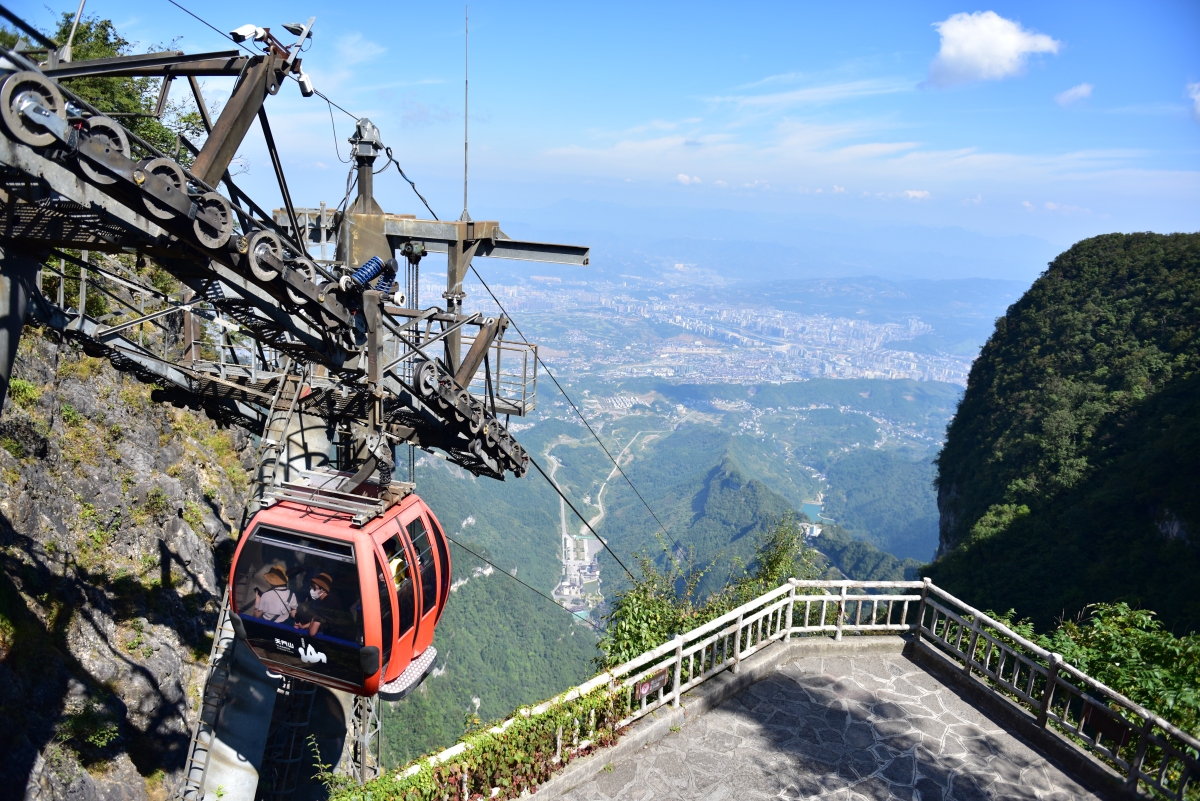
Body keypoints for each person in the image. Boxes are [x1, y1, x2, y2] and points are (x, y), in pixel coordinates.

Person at [294, 572, 343, 637]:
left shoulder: (327, 603)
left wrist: (310, 627)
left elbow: (312, 632)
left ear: (323, 590)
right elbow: (317, 620)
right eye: (311, 587)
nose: (311, 590)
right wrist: (303, 626)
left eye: (314, 588)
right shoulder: (330, 599)